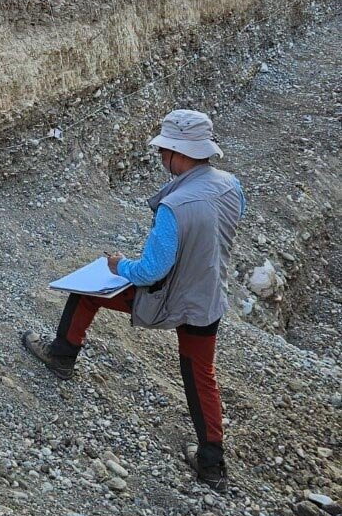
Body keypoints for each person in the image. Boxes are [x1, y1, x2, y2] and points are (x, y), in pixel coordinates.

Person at [22, 109, 245, 493]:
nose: (161, 158)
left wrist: (117, 264)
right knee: (200, 375)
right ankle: (211, 465)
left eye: (164, 151)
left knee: (86, 290)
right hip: (208, 297)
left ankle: (61, 356)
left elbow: (148, 273)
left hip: (168, 295)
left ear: (179, 152)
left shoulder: (174, 207)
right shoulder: (230, 185)